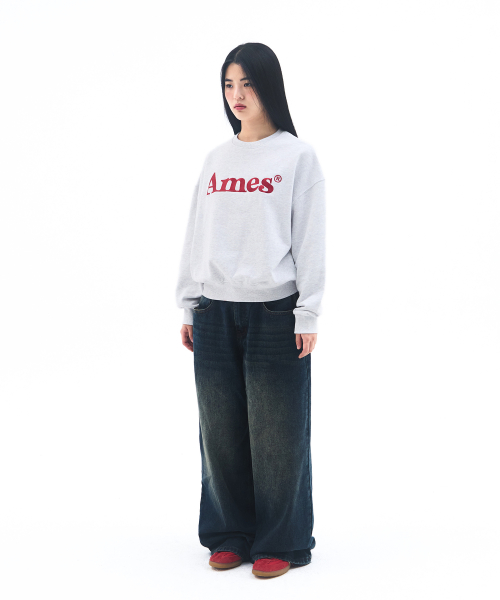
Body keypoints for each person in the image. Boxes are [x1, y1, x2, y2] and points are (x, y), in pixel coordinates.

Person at [175, 42, 326, 579]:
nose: (237, 95)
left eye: (248, 84)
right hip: (214, 310)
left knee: (278, 434)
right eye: (229, 84)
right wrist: (188, 304)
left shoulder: (297, 157)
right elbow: (197, 232)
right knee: (219, 433)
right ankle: (229, 534)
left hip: (274, 313)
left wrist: (308, 312)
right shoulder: (216, 160)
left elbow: (310, 239)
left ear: (269, 87)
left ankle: (281, 540)